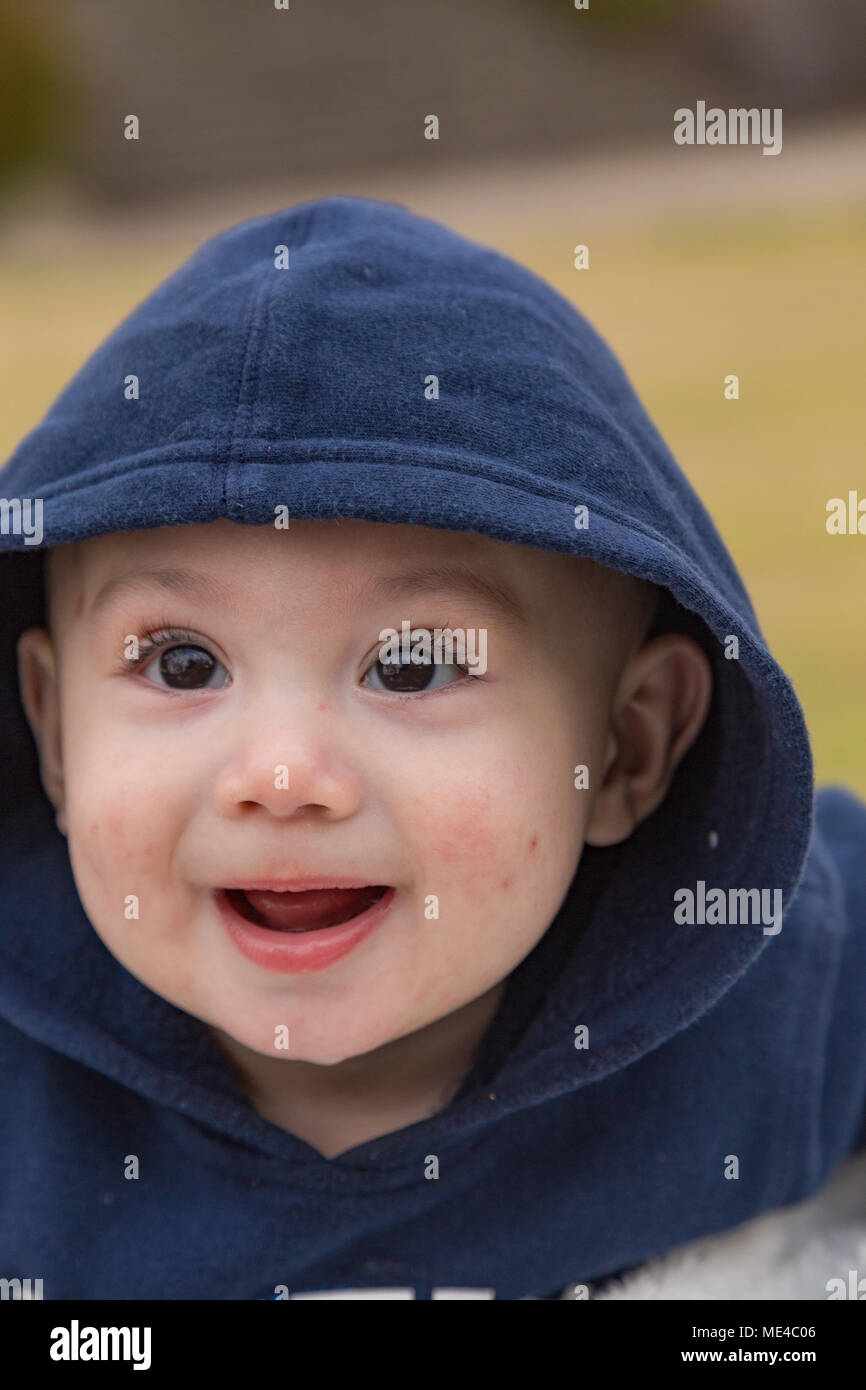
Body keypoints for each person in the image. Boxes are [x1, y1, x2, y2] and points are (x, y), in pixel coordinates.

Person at [1, 196, 864, 1300]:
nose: (280, 775)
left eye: (407, 666)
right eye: (181, 663)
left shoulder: (766, 989)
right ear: (56, 730)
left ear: (628, 748)